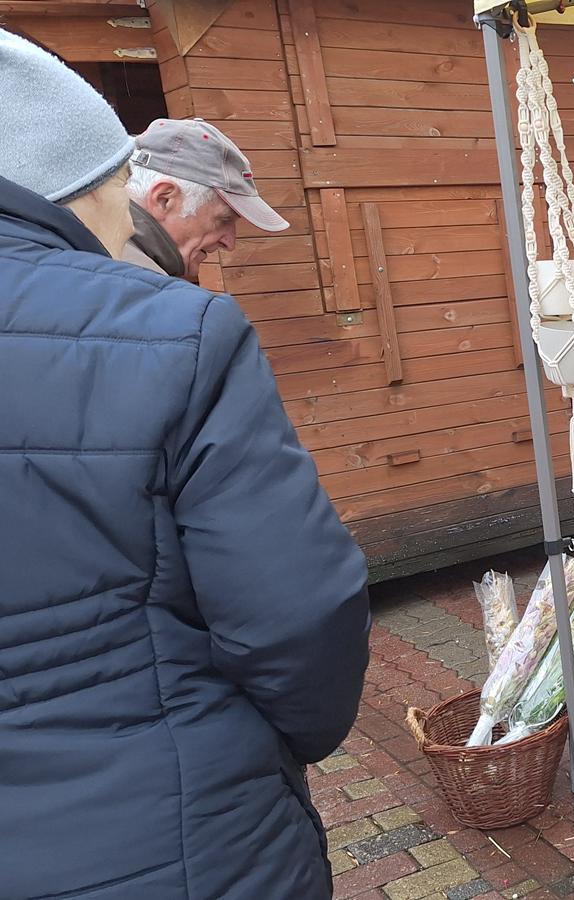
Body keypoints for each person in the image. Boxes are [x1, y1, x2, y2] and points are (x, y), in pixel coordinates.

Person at [0, 30, 370, 900]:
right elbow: (297, 611)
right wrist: (287, 740)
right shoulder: (172, 328)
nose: (229, 244)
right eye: (223, 221)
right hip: (174, 831)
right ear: (151, 196)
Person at [123, 117, 289, 280]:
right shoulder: (144, 290)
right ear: (163, 200)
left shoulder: (117, 268)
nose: (230, 243)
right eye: (223, 219)